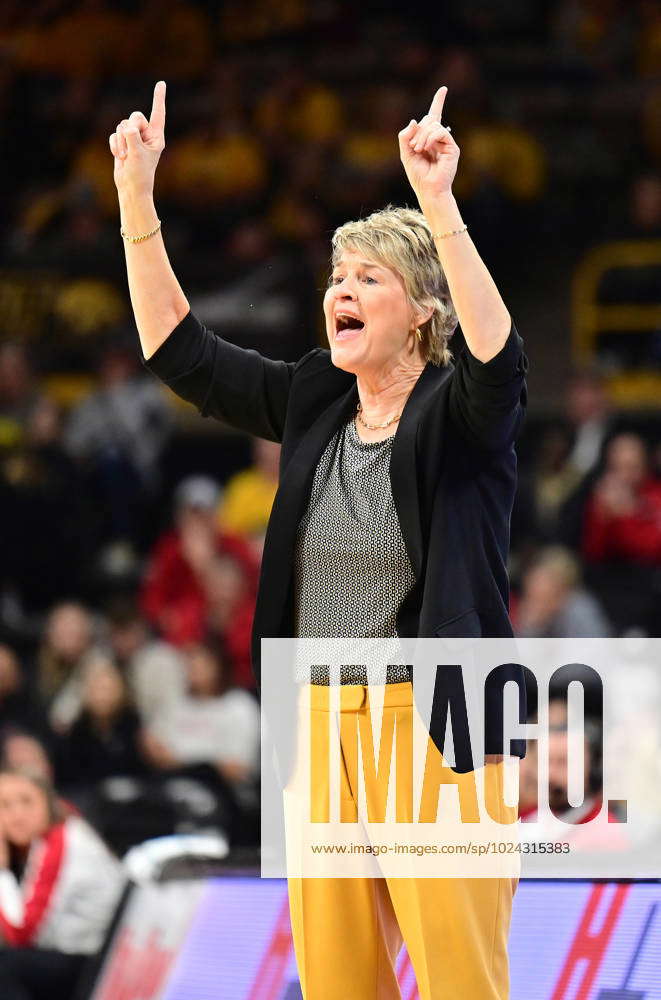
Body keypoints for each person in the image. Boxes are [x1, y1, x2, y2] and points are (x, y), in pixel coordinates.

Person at [109, 81, 528, 1000]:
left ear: (420, 309)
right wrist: (137, 199)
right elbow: (181, 355)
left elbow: (498, 358)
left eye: (367, 277)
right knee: (338, 983)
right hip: (319, 723)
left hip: (438, 722)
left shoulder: (459, 412)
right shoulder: (315, 398)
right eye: (336, 277)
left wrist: (439, 206)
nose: (340, 289)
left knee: (461, 978)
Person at [0, 767, 125, 1000]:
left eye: (27, 802)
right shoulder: (42, 842)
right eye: (5, 806)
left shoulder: (61, 841)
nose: (16, 815)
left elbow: (21, 935)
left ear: (48, 802)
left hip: (98, 964)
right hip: (72, 956)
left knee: (4, 965)